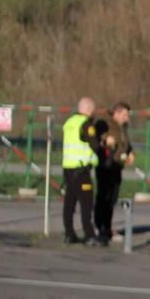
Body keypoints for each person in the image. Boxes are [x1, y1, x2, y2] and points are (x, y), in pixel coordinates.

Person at [60, 96, 99, 245]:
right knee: (86, 204)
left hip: (68, 169)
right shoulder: (86, 124)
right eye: (93, 110)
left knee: (69, 203)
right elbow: (94, 146)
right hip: (81, 170)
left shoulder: (69, 123)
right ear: (89, 110)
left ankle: (69, 234)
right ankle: (89, 235)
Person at [94, 101, 134, 244]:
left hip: (117, 166)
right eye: (125, 115)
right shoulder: (105, 123)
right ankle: (99, 227)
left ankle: (108, 227)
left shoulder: (122, 127)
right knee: (103, 198)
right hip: (106, 165)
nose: (127, 118)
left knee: (112, 199)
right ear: (117, 113)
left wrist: (130, 152)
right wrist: (105, 140)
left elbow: (126, 144)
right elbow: (96, 137)